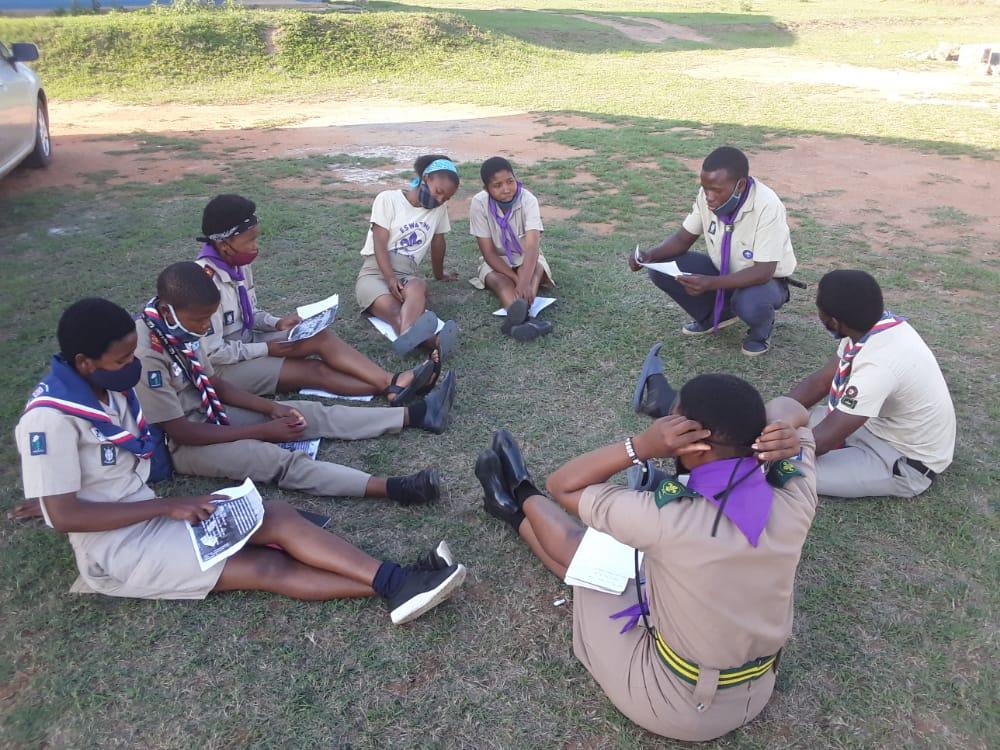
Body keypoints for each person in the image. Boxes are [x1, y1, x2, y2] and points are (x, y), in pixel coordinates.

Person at [13, 297, 466, 623]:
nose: (133, 365)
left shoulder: (104, 387)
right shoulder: (48, 421)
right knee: (266, 566)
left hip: (147, 513)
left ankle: (400, 581)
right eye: (122, 359)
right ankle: (399, 582)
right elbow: (66, 515)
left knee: (277, 517)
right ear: (84, 362)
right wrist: (167, 506)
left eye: (133, 353)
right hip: (119, 550)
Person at [475, 374, 817, 742]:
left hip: (678, 703)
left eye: (673, 421)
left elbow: (563, 486)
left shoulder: (669, 520)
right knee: (613, 559)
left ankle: (516, 499)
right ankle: (511, 502)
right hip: (757, 686)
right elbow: (792, 408)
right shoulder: (794, 493)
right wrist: (779, 428)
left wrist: (640, 445)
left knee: (588, 561)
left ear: (695, 446)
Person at [134, 261, 457, 506]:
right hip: (185, 444)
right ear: (167, 311)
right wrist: (262, 430)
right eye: (200, 321)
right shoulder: (148, 352)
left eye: (209, 319)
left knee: (305, 413)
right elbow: (181, 432)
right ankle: (394, 488)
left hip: (210, 412)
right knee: (277, 461)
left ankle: (414, 415)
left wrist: (271, 409)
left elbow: (214, 382)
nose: (206, 328)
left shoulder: (182, 328)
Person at [195, 193, 439, 404]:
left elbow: (248, 313)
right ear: (224, 244)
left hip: (248, 340)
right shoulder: (203, 283)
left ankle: (393, 383)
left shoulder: (237, 263)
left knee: (321, 337)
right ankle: (392, 385)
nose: (255, 246)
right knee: (312, 371)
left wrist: (276, 323)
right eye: (249, 240)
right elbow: (213, 353)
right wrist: (266, 348)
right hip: (224, 367)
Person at [788, 270, 955, 498]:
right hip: (870, 425)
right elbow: (820, 382)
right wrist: (766, 419)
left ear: (834, 321)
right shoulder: (872, 328)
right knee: (788, 424)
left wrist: (763, 450)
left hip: (902, 459)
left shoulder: (879, 366)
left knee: (787, 471)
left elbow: (823, 440)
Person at [629, 146, 797, 357]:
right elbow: (682, 239)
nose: (708, 196)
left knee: (749, 302)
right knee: (660, 268)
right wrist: (650, 256)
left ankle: (759, 333)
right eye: (705, 188)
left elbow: (763, 272)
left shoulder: (767, 205)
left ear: (740, 185)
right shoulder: (707, 196)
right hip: (724, 273)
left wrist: (710, 283)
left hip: (766, 282)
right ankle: (714, 316)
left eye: (716, 190)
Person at [355, 154, 460, 356]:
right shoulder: (388, 199)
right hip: (374, 273)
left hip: (406, 274)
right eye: (439, 192)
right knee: (395, 311)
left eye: (446, 198)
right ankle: (436, 342)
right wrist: (389, 278)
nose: (440, 200)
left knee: (418, 285)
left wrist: (440, 275)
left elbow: (438, 244)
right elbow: (379, 243)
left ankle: (407, 335)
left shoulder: (439, 210)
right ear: (426, 178)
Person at [468, 156, 554, 342]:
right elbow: (488, 253)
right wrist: (517, 280)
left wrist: (524, 281)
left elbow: (532, 247)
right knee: (501, 282)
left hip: (526, 257)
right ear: (486, 189)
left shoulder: (528, 200)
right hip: (497, 261)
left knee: (534, 272)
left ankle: (516, 322)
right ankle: (527, 320)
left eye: (510, 181)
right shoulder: (479, 203)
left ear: (515, 178)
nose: (506, 189)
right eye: (497, 185)